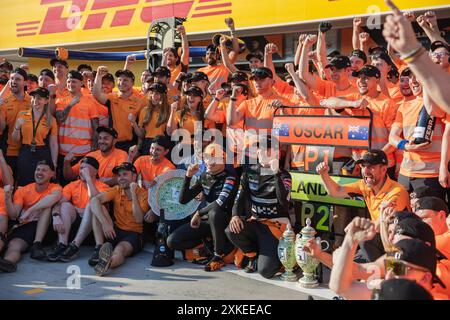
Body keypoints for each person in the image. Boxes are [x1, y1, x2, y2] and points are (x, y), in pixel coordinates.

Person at [316, 150, 410, 261]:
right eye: (363, 166)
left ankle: (384, 273)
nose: (365, 171)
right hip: (384, 237)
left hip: (401, 243)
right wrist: (324, 174)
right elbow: (336, 191)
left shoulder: (397, 191)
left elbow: (383, 222)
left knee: (365, 239)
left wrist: (357, 228)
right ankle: (374, 272)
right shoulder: (364, 185)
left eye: (371, 167)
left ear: (384, 169)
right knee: (348, 264)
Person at [329, 217, 448, 300]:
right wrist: (350, 240)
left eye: (398, 268)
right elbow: (341, 287)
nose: (388, 275)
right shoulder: (394, 290)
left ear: (426, 277)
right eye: (389, 267)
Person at [167, 143, 238, 271]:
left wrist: (199, 213)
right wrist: (188, 176)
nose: (209, 162)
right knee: (172, 241)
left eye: (214, 158)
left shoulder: (230, 177)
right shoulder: (204, 176)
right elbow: (183, 200)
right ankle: (206, 246)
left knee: (215, 213)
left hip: (224, 223)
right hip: (207, 223)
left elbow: (220, 203)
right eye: (207, 158)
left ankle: (218, 256)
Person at [225, 144, 292, 279]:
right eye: (261, 151)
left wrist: (276, 174)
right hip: (256, 222)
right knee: (231, 229)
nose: (263, 154)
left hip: (276, 226)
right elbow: (240, 197)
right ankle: (252, 256)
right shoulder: (249, 172)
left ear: (277, 155)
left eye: (268, 151)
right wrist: (235, 215)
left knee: (266, 272)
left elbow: (284, 203)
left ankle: (283, 262)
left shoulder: (284, 174)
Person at [389, 70, 447, 200]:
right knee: (405, 218)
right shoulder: (404, 106)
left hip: (431, 174)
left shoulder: (440, 104)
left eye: (417, 76)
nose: (413, 80)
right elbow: (392, 137)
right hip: (405, 174)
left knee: (428, 218)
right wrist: (406, 146)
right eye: (410, 77)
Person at [89, 162, 149, 276]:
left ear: (134, 176)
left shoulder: (143, 194)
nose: (121, 178)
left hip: (134, 234)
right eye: (119, 175)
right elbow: (94, 200)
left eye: (125, 174)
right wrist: (105, 223)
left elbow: (139, 219)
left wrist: (133, 194)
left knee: (120, 250)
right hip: (115, 229)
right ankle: (99, 247)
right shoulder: (116, 189)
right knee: (98, 208)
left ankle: (107, 263)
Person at [0, 160, 62, 272]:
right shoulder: (23, 190)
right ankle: (7, 263)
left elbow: (52, 199)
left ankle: (37, 244)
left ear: (52, 174)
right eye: (38, 169)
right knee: (14, 245)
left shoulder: (55, 187)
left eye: (44, 170)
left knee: (46, 207)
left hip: (47, 229)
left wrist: (29, 211)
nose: (39, 172)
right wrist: (8, 199)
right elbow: (14, 215)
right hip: (27, 226)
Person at [47, 156, 109, 262]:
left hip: (94, 231)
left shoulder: (103, 186)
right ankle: (62, 244)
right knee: (65, 205)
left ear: (95, 172)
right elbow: (58, 203)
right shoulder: (73, 185)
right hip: (74, 228)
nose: (82, 172)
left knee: (91, 205)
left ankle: (75, 246)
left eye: (85, 169)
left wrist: (89, 179)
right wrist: (56, 216)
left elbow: (95, 199)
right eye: (80, 169)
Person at [55, 70, 100, 183]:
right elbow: (60, 119)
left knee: (83, 184)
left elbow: (96, 128)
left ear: (81, 83)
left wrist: (93, 150)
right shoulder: (61, 100)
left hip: (84, 152)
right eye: (69, 81)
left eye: (74, 81)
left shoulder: (90, 102)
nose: (71, 84)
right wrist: (70, 105)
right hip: (64, 153)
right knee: (64, 185)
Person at [92, 66, 147, 152]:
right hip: (113, 143)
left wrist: (139, 147)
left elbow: (142, 128)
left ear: (132, 83)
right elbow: (96, 94)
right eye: (119, 80)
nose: (121, 82)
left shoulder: (139, 102)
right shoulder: (112, 97)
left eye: (125, 80)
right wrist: (98, 76)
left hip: (131, 145)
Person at [12, 87, 58, 187]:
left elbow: (53, 144)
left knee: (41, 183)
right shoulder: (22, 114)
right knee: (24, 183)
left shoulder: (51, 119)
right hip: (26, 152)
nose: (35, 101)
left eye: (39, 98)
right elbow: (15, 140)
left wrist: (54, 164)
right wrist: (17, 127)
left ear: (46, 101)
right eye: (33, 97)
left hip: (42, 154)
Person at [63, 126, 128, 186]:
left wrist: (96, 184)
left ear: (114, 141)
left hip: (109, 194)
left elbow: (122, 177)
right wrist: (66, 162)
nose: (101, 141)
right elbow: (69, 176)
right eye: (100, 138)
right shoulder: (91, 155)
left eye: (105, 138)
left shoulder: (121, 154)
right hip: (88, 193)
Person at [0, 68, 31, 178]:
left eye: (18, 79)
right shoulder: (4, 101)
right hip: (10, 152)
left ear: (25, 82)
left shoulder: (32, 100)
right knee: (9, 186)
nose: (14, 81)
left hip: (29, 151)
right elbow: (2, 127)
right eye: (12, 79)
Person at [132, 82, 170, 155]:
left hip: (162, 144)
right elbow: (141, 135)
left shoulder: (169, 111)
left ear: (163, 96)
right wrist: (134, 123)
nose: (153, 96)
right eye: (152, 93)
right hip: (147, 144)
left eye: (157, 94)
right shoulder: (144, 111)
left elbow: (170, 132)